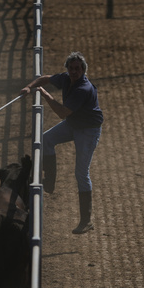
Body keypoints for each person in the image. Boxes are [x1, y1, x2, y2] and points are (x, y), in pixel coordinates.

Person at [20, 52, 103, 234]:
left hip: (88, 130)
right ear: (67, 69)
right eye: (71, 68)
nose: (74, 71)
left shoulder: (83, 88)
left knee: (81, 173)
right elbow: (44, 78)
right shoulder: (66, 78)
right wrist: (29, 87)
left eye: (77, 69)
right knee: (46, 139)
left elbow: (62, 113)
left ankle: (86, 221)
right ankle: (49, 182)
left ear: (83, 70)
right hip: (74, 124)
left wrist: (45, 94)